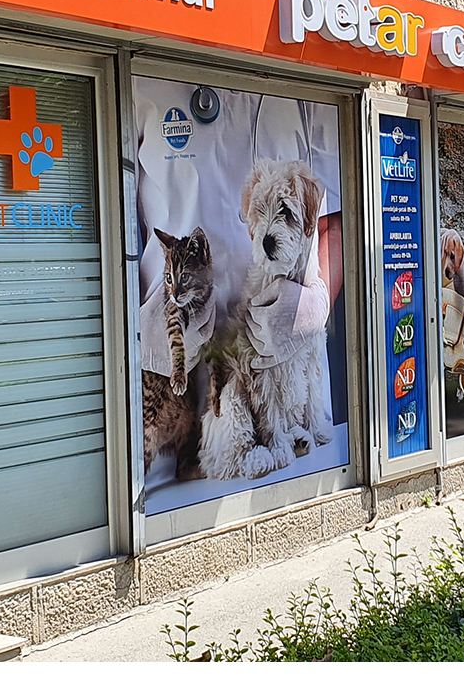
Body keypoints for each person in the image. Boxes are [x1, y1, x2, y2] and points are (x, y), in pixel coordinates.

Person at [133, 76, 345, 490]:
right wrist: (147, 331)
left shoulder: (312, 80)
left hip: (287, 378)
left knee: (297, 494)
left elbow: (332, 218)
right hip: (178, 381)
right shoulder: (140, 77)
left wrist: (313, 307)